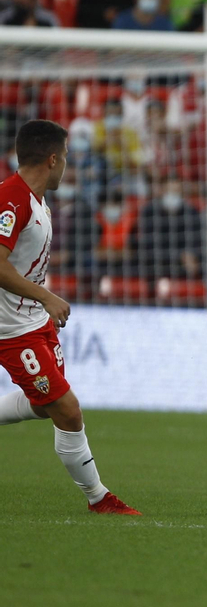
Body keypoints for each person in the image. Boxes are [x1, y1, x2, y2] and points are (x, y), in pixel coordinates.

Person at [0, 120, 138, 515]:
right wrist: (46, 296)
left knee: (45, 405)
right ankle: (99, 498)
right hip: (11, 331)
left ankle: (99, 498)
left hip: (33, 324)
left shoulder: (37, 201)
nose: (67, 168)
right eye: (66, 159)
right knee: (67, 409)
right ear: (53, 158)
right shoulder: (11, 199)